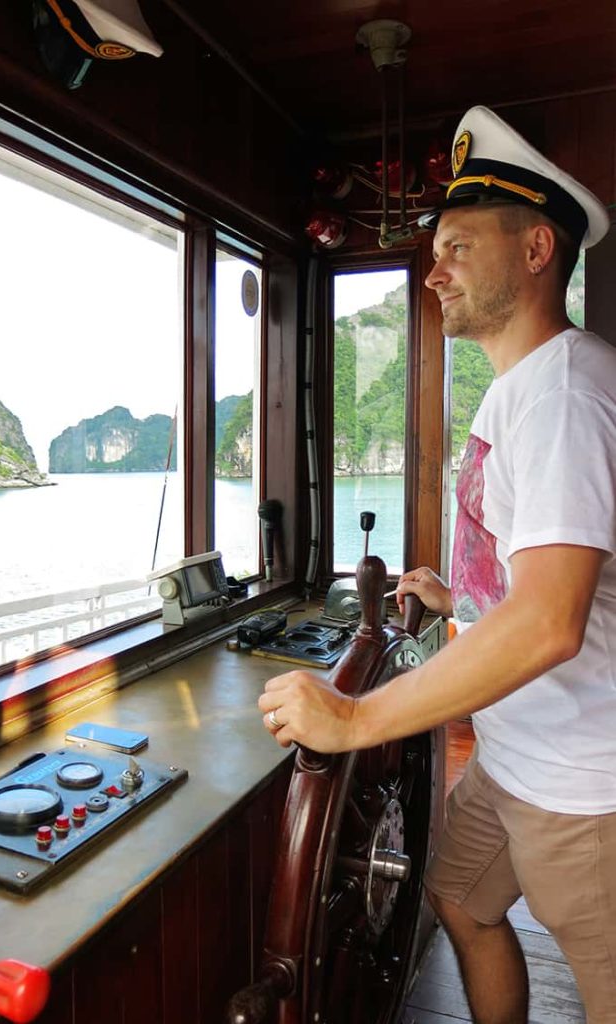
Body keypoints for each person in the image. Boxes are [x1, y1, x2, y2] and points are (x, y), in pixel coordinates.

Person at [258, 106, 616, 1024]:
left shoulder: (566, 395)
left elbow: (547, 621)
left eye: (458, 246)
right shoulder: (520, 388)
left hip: (585, 786)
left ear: (537, 250)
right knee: (460, 899)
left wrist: (352, 717)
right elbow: (538, 580)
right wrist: (461, 597)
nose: (433, 270)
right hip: (512, 757)